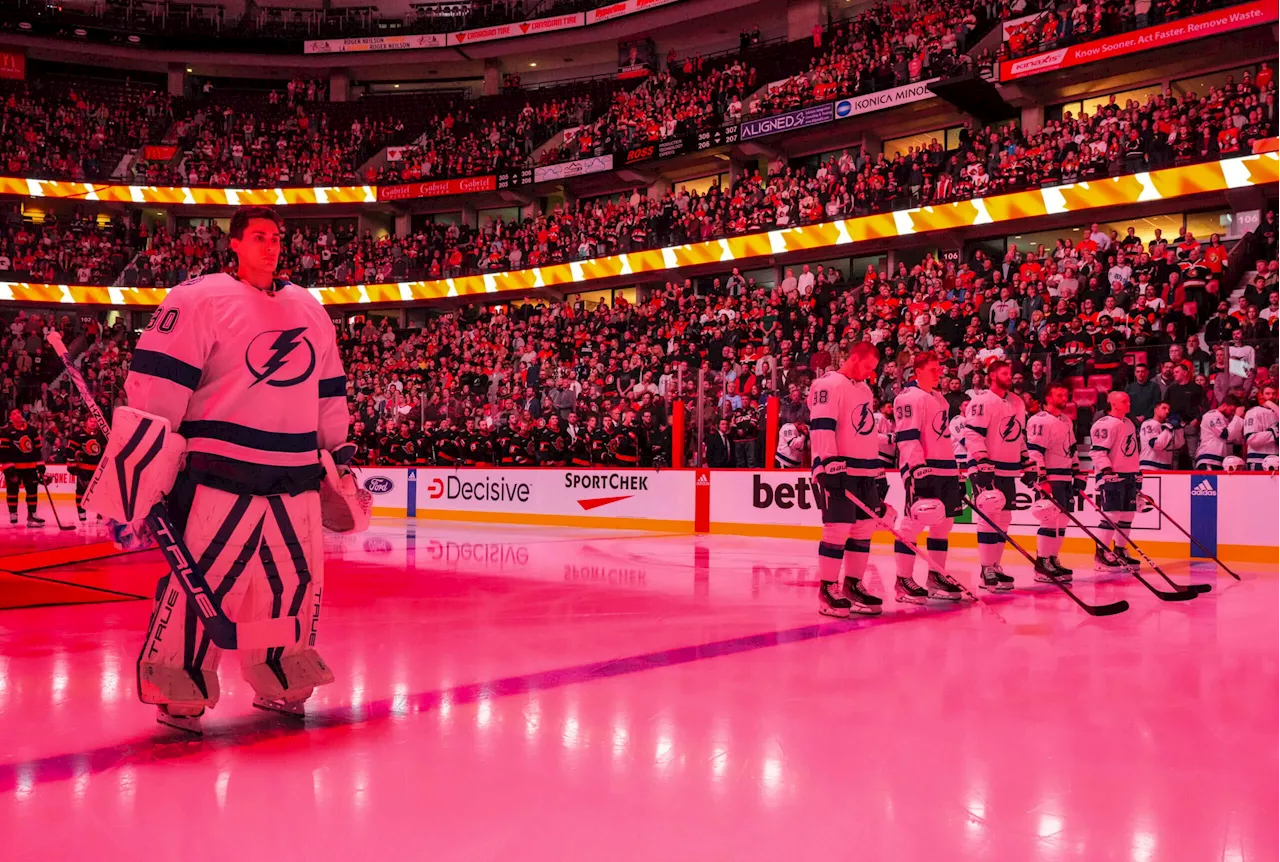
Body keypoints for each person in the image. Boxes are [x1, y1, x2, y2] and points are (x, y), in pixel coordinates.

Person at [101, 206, 349, 733]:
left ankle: (281, 667)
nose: (271, 246)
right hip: (221, 470)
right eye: (258, 236)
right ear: (233, 243)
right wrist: (144, 467)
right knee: (207, 582)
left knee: (291, 584)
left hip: (296, 473)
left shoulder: (309, 308)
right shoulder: (198, 298)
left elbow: (329, 391)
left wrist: (337, 457)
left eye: (276, 238)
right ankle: (180, 678)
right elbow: (156, 386)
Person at [809, 342, 892, 617]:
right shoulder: (828, 385)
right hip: (838, 469)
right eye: (868, 366)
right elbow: (822, 426)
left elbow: (865, 431)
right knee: (837, 528)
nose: (870, 374)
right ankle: (827, 588)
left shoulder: (865, 390)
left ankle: (853, 584)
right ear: (854, 358)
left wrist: (877, 470)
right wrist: (828, 463)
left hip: (865, 470)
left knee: (864, 528)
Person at [892, 351, 966, 602]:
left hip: (946, 467)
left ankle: (936, 576)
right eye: (933, 370)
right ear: (918, 371)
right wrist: (917, 468)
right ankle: (903, 580)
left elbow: (944, 438)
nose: (939, 374)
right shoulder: (908, 398)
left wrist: (955, 473)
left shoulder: (940, 399)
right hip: (923, 468)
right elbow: (907, 437)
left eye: (939, 369)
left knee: (943, 524)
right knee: (913, 524)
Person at [964, 360, 1032, 591]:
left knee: (1004, 518)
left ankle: (996, 565)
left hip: (1008, 468)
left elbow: (1019, 436)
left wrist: (1026, 460)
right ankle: (986, 569)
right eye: (1004, 372)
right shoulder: (981, 401)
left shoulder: (1017, 402)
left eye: (1010, 372)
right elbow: (972, 434)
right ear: (992, 375)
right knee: (988, 515)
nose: (1009, 376)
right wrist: (981, 460)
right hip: (986, 467)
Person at [1026, 382, 1082, 582]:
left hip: (1065, 476)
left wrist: (1078, 473)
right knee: (1049, 518)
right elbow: (1034, 452)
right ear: (1047, 398)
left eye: (1065, 394)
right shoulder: (1039, 420)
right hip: (1051, 476)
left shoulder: (1066, 419)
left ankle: (1052, 558)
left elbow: (1072, 449)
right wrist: (1042, 478)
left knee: (1063, 521)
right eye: (1059, 395)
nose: (1064, 398)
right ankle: (1042, 563)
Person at [1089, 391, 1141, 569]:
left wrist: (1137, 473)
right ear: (1113, 404)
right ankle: (1101, 553)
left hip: (1128, 475)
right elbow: (1097, 451)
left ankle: (1120, 550)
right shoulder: (1104, 424)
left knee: (1127, 515)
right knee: (1112, 515)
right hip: (1112, 476)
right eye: (1124, 401)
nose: (1129, 403)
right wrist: (1106, 470)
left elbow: (1132, 451)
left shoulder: (1129, 423)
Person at [0, 408, 45, 527]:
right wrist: (7, 467)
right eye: (14, 414)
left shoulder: (32, 430)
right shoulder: (6, 431)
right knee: (12, 491)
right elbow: (3, 451)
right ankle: (13, 514)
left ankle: (32, 515)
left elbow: (37, 449)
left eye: (19, 413)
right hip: (14, 467)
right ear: (10, 417)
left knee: (32, 491)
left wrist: (40, 464)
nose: (18, 415)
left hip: (30, 467)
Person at [66, 414, 107, 522]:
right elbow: (70, 450)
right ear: (86, 422)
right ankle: (81, 513)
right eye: (91, 421)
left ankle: (100, 514)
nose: (93, 424)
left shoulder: (102, 436)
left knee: (100, 493)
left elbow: (107, 452)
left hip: (98, 470)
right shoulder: (78, 435)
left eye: (95, 422)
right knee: (81, 492)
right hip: (83, 469)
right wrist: (71, 464)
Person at [1196, 396, 1246, 469]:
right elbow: (1225, 435)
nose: (1232, 413)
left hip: (1219, 459)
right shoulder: (1212, 415)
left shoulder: (1225, 419)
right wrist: (1237, 416)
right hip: (1209, 458)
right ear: (1224, 405)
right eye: (1232, 410)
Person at [1243, 385, 1280, 470]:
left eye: (1274, 394)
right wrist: (1274, 432)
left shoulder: (1277, 413)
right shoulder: (1253, 412)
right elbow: (1250, 438)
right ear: (1261, 395)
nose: (1271, 396)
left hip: (1277, 461)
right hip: (1258, 460)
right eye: (1268, 393)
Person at [1139, 402, 1184, 470]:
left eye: (1168, 409)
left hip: (1165, 467)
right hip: (1149, 466)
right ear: (1156, 410)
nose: (1167, 411)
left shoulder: (1167, 426)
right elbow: (1155, 444)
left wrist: (1179, 428)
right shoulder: (1148, 423)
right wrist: (1169, 427)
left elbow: (1178, 444)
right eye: (1164, 408)